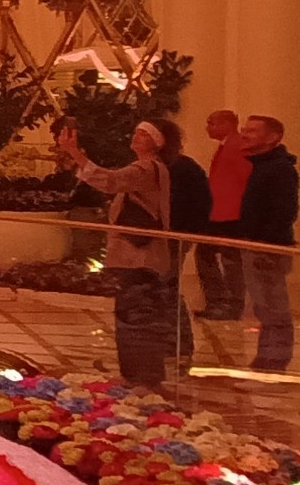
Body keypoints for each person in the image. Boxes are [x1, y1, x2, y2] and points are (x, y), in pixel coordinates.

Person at [57, 117, 177, 388]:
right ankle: (136, 375)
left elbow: (110, 181)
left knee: (137, 316)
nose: (135, 137)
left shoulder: (146, 168)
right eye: (135, 132)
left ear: (157, 142)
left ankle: (143, 378)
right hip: (134, 257)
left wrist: (75, 153)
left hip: (139, 257)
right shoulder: (149, 168)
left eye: (143, 134)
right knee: (133, 314)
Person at [237, 114, 300, 372]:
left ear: (273, 137)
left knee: (273, 304)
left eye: (252, 131)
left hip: (267, 247)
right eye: (245, 129)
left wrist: (265, 242)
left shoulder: (280, 169)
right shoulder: (262, 166)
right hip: (256, 244)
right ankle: (268, 356)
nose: (245, 134)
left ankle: (275, 358)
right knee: (264, 305)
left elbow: (284, 211)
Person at [163, 116, 211, 367]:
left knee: (167, 288)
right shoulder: (150, 166)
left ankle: (179, 345)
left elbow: (199, 204)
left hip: (171, 239)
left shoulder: (182, 169)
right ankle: (166, 344)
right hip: (155, 239)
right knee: (161, 289)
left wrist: (182, 233)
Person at [198, 108, 251, 319]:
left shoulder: (236, 146)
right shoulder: (228, 146)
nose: (208, 128)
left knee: (228, 260)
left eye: (211, 123)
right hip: (220, 212)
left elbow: (243, 179)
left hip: (229, 214)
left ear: (227, 124)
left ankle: (227, 303)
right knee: (211, 256)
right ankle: (221, 302)